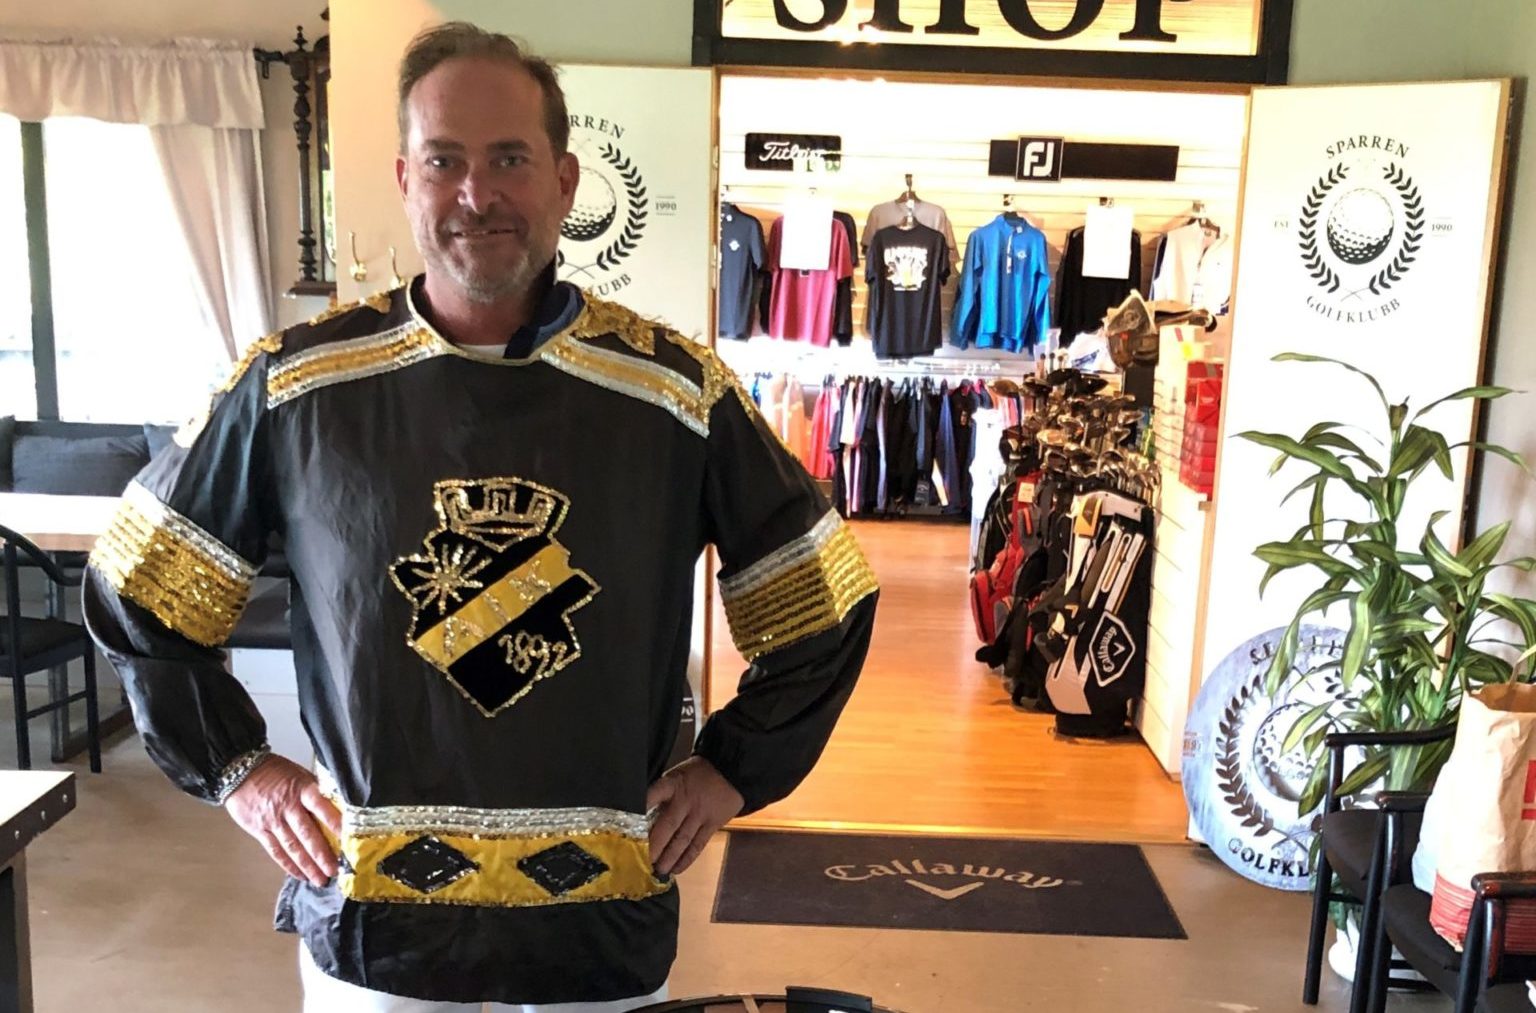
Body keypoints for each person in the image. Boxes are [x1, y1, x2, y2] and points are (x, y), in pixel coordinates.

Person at [83, 21, 878, 1013]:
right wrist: (240, 768)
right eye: (444, 160)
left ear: (564, 180)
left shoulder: (675, 393)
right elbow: (138, 586)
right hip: (375, 926)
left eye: (509, 159)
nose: (476, 193)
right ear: (404, 178)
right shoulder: (296, 385)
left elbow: (823, 598)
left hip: (595, 922)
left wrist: (732, 768)